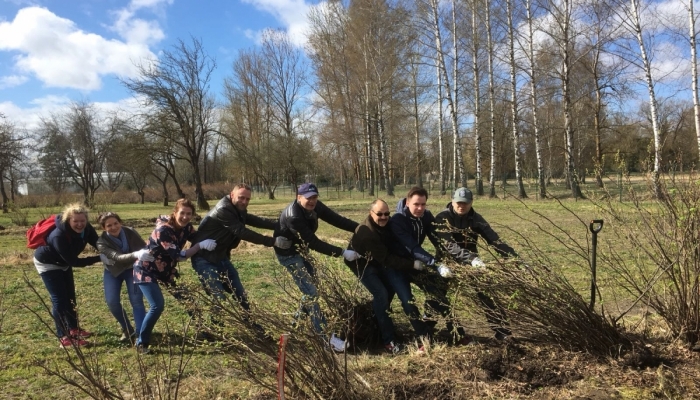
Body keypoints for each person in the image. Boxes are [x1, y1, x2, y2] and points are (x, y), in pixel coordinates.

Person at [190, 183, 291, 327]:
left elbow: (254, 220)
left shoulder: (237, 209)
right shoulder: (224, 209)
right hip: (204, 259)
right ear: (232, 195)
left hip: (221, 257)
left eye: (247, 199)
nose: (244, 202)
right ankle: (215, 331)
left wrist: (279, 225)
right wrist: (273, 241)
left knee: (240, 293)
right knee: (219, 297)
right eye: (241, 197)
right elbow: (241, 232)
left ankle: (251, 323)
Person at [274, 182, 360, 352]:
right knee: (311, 293)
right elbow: (313, 243)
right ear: (299, 197)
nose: (312, 201)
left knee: (312, 290)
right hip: (289, 254)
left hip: (301, 250)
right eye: (308, 198)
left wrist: (359, 228)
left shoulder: (315, 206)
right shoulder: (294, 216)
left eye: (314, 197)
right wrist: (342, 252)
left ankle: (295, 329)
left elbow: (336, 219)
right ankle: (325, 338)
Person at [345, 199, 431, 354]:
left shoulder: (386, 223)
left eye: (387, 214)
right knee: (381, 294)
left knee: (389, 292)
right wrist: (412, 264)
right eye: (380, 214)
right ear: (371, 213)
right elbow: (387, 259)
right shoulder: (368, 234)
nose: (384, 217)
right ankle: (388, 341)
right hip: (361, 263)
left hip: (376, 259)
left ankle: (376, 322)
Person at [133, 198, 217, 354]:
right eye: (182, 213)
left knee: (188, 299)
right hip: (146, 270)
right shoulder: (163, 230)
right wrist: (200, 246)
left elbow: (197, 237)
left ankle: (203, 331)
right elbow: (180, 256)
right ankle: (141, 343)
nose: (185, 217)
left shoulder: (187, 228)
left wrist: (213, 236)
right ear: (175, 212)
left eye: (189, 214)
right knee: (157, 305)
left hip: (166, 271)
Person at [390, 186, 471, 345]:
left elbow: (437, 238)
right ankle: (423, 338)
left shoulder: (425, 216)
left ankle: (457, 334)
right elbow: (412, 247)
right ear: (407, 203)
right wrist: (435, 264)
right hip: (397, 267)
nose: (420, 208)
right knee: (408, 301)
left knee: (437, 293)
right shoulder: (397, 220)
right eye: (416, 204)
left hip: (417, 265)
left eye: (423, 204)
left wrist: (453, 258)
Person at [434, 187, 517, 340]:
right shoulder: (442, 218)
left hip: (472, 264)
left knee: (486, 291)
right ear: (452, 201)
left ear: (471, 203)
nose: (462, 206)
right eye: (458, 202)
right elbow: (449, 245)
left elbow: (495, 240)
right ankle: (425, 329)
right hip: (446, 263)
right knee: (438, 294)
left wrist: (514, 258)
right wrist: (471, 258)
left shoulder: (475, 219)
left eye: (465, 203)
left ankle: (502, 331)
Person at [33, 203, 101, 348]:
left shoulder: (87, 229)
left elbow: (99, 244)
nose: (79, 224)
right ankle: (63, 337)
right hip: (48, 263)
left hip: (63, 263)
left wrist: (113, 253)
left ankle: (74, 329)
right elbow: (74, 262)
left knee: (70, 297)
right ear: (68, 220)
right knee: (60, 300)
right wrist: (99, 259)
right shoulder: (59, 235)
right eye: (75, 221)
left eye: (82, 221)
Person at [96, 212, 152, 342]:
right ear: (104, 228)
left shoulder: (130, 232)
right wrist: (136, 254)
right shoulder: (101, 242)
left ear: (120, 222)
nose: (114, 227)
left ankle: (140, 334)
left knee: (136, 301)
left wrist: (144, 254)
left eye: (116, 223)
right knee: (112, 302)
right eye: (109, 225)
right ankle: (127, 328)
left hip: (133, 269)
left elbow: (143, 247)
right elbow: (117, 257)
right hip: (113, 272)